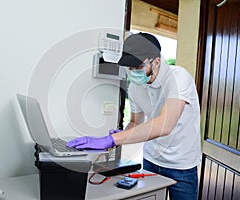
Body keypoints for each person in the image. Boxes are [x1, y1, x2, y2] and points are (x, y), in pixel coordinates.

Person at [67, 32, 202, 200]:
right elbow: (135, 122)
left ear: (156, 62)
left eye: (138, 67)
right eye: (129, 68)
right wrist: (118, 137)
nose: (133, 72)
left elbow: (164, 125)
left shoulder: (178, 78)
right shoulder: (136, 87)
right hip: (152, 160)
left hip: (181, 164)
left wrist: (112, 140)